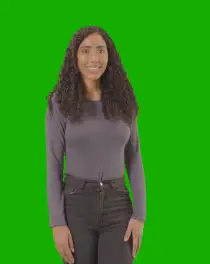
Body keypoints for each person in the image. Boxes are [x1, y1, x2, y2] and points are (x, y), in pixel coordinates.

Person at [45, 25, 146, 264]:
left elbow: (134, 157)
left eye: (101, 50)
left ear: (109, 56)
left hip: (117, 206)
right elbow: (53, 163)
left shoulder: (124, 102)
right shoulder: (59, 104)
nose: (94, 58)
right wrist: (57, 222)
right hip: (76, 206)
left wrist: (139, 214)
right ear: (75, 57)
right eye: (86, 51)